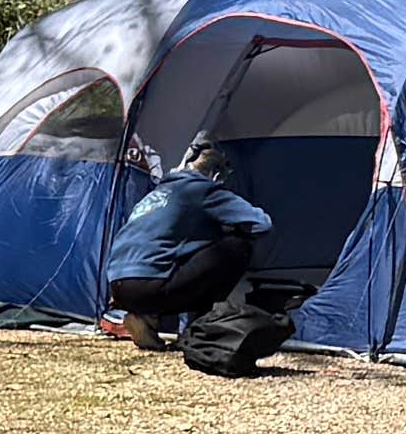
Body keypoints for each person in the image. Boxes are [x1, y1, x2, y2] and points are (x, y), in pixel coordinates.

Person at [96, 140, 276, 343]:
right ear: (215, 175)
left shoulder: (157, 193)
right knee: (238, 248)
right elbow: (261, 224)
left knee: (183, 252)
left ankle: (145, 315)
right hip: (150, 286)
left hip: (117, 288)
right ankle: (197, 327)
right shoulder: (202, 190)